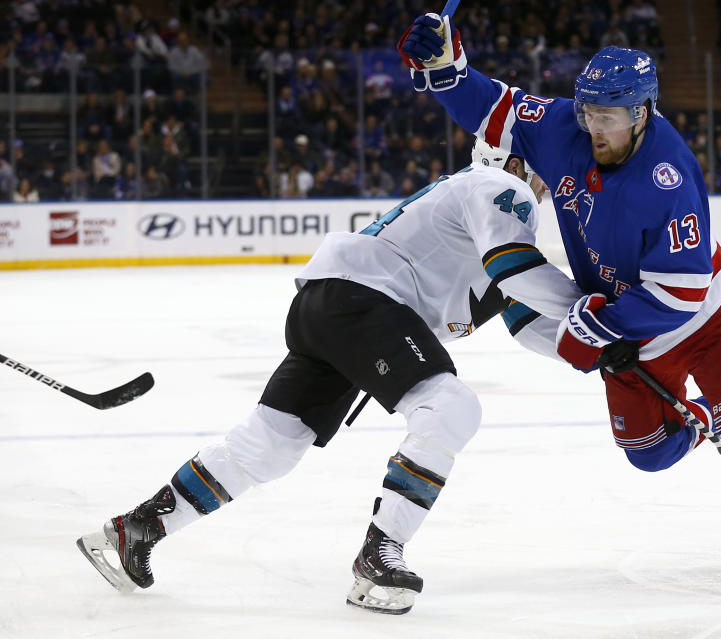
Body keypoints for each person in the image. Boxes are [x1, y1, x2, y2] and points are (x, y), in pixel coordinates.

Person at [398, 15, 721, 603]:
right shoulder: (566, 128)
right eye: (587, 113)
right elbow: (491, 107)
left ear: (641, 112)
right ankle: (706, 418)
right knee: (648, 454)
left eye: (606, 117)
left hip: (708, 319)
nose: (592, 127)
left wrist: (589, 329)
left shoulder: (669, 177)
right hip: (631, 323)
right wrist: (446, 66)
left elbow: (679, 295)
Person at [77, 139, 584, 614]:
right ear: (513, 162)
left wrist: (603, 351)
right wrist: (606, 319)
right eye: (543, 172)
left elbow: (534, 323)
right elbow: (525, 278)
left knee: (269, 447)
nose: (548, 187)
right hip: (366, 302)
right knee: (450, 406)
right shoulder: (499, 188)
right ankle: (380, 552)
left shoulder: (496, 230)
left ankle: (140, 527)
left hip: (331, 305)